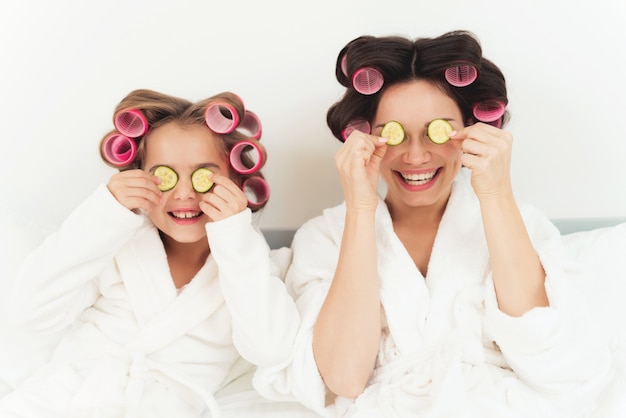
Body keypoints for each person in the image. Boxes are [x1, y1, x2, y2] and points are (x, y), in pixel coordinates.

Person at [258, 31, 613, 417]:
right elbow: (344, 378)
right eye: (393, 135)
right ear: (364, 138)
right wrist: (360, 210)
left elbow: (550, 357)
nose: (415, 155)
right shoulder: (325, 237)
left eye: (438, 130)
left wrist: (496, 194)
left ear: (471, 131)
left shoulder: (520, 223)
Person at [0, 89, 304, 417]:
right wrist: (104, 213)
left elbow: (271, 350)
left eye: (203, 175)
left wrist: (235, 239)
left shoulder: (256, 265)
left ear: (235, 179)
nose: (184, 191)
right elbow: (29, 311)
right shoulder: (113, 243)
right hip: (59, 400)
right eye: (164, 175)